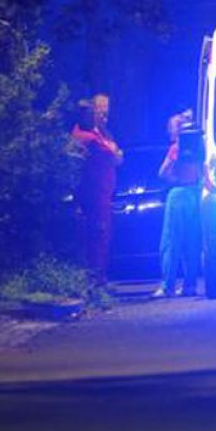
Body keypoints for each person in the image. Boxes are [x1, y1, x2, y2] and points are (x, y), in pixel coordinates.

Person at [72, 94, 123, 290]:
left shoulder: (98, 134)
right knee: (97, 236)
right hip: (94, 195)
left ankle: (99, 278)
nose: (96, 117)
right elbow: (114, 156)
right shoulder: (88, 138)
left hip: (102, 194)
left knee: (100, 236)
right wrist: (115, 152)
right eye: (92, 114)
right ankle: (95, 280)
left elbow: (116, 154)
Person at [154, 109, 202, 297]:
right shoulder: (199, 147)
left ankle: (168, 285)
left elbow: (162, 172)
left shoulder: (176, 148)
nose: (170, 131)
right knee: (192, 241)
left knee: (171, 241)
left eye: (172, 128)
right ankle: (190, 285)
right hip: (195, 194)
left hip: (178, 194)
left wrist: (177, 179)